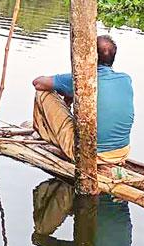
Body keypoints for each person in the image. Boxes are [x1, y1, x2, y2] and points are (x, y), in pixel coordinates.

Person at [31, 34, 134, 165]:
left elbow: (38, 83)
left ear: (89, 54)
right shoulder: (126, 79)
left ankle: (45, 134)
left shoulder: (82, 79)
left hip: (88, 155)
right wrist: (70, 91)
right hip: (122, 152)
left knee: (42, 93)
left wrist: (66, 85)